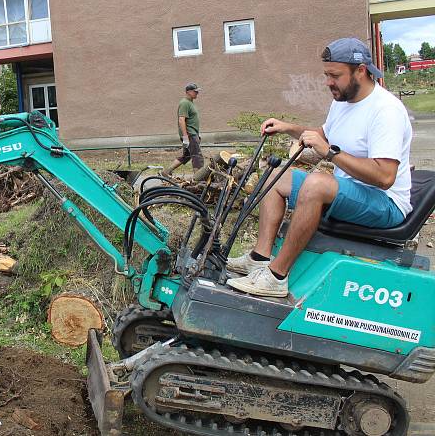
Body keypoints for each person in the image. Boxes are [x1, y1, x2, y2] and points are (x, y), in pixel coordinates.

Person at [226, 37, 412, 297]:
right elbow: (323, 135)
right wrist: (287, 127)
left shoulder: (386, 111)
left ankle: (276, 276)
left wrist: (329, 154)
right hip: (351, 192)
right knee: (276, 177)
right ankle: (260, 257)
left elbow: (384, 176)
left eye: (334, 75)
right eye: (326, 75)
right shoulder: (342, 103)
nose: (328, 82)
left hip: (385, 203)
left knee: (316, 184)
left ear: (361, 70)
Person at [162, 83, 204, 176]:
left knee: (186, 156)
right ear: (188, 92)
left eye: (197, 91)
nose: (197, 93)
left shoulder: (190, 102)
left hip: (193, 134)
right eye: (195, 91)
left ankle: (166, 172)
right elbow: (181, 120)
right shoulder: (184, 103)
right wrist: (185, 137)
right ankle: (199, 178)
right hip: (190, 134)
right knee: (197, 156)